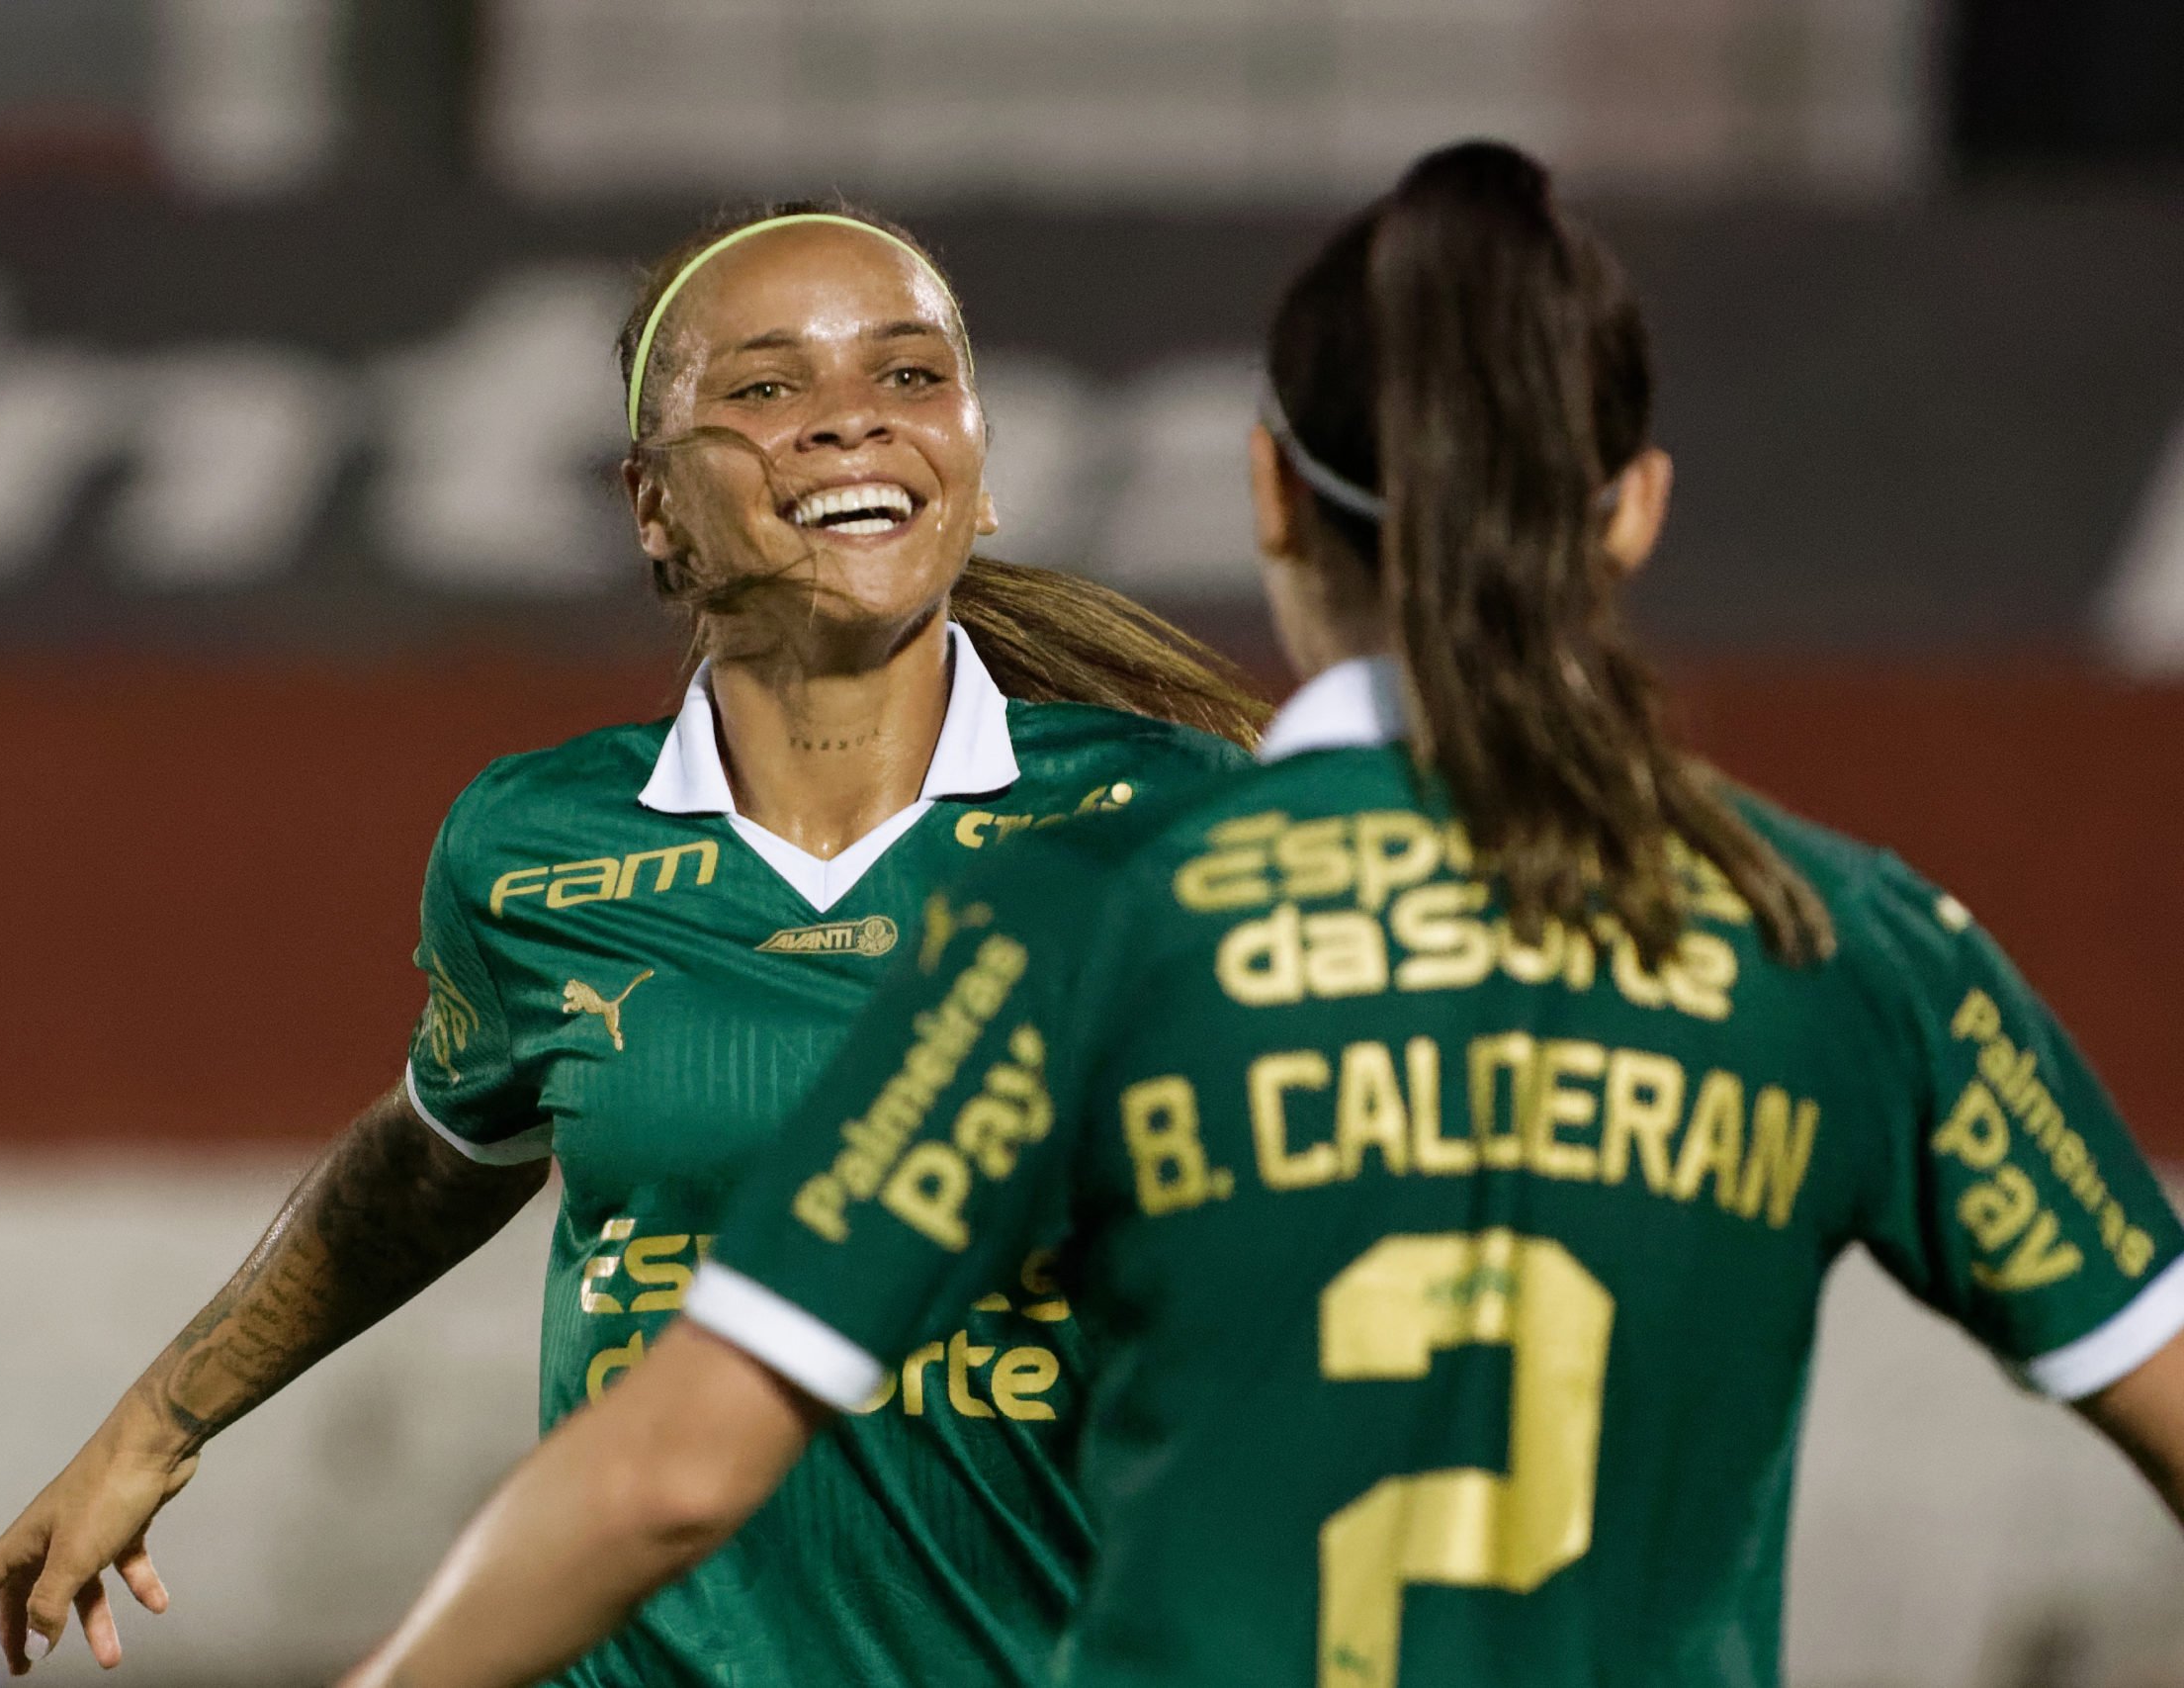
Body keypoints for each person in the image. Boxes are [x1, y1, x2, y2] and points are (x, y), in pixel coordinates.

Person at [330, 141, 2184, 1688]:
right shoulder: (1842, 939)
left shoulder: (1088, 927)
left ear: (1272, 498)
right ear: (1630, 511)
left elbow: (671, 1475)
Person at [0, 203, 1267, 1681]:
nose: (852, 421)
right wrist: (155, 1427)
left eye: (909, 375)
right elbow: (439, 1153)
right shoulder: (532, 846)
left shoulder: (1173, 824)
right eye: (767, 387)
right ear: (651, 504)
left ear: (980, 463)